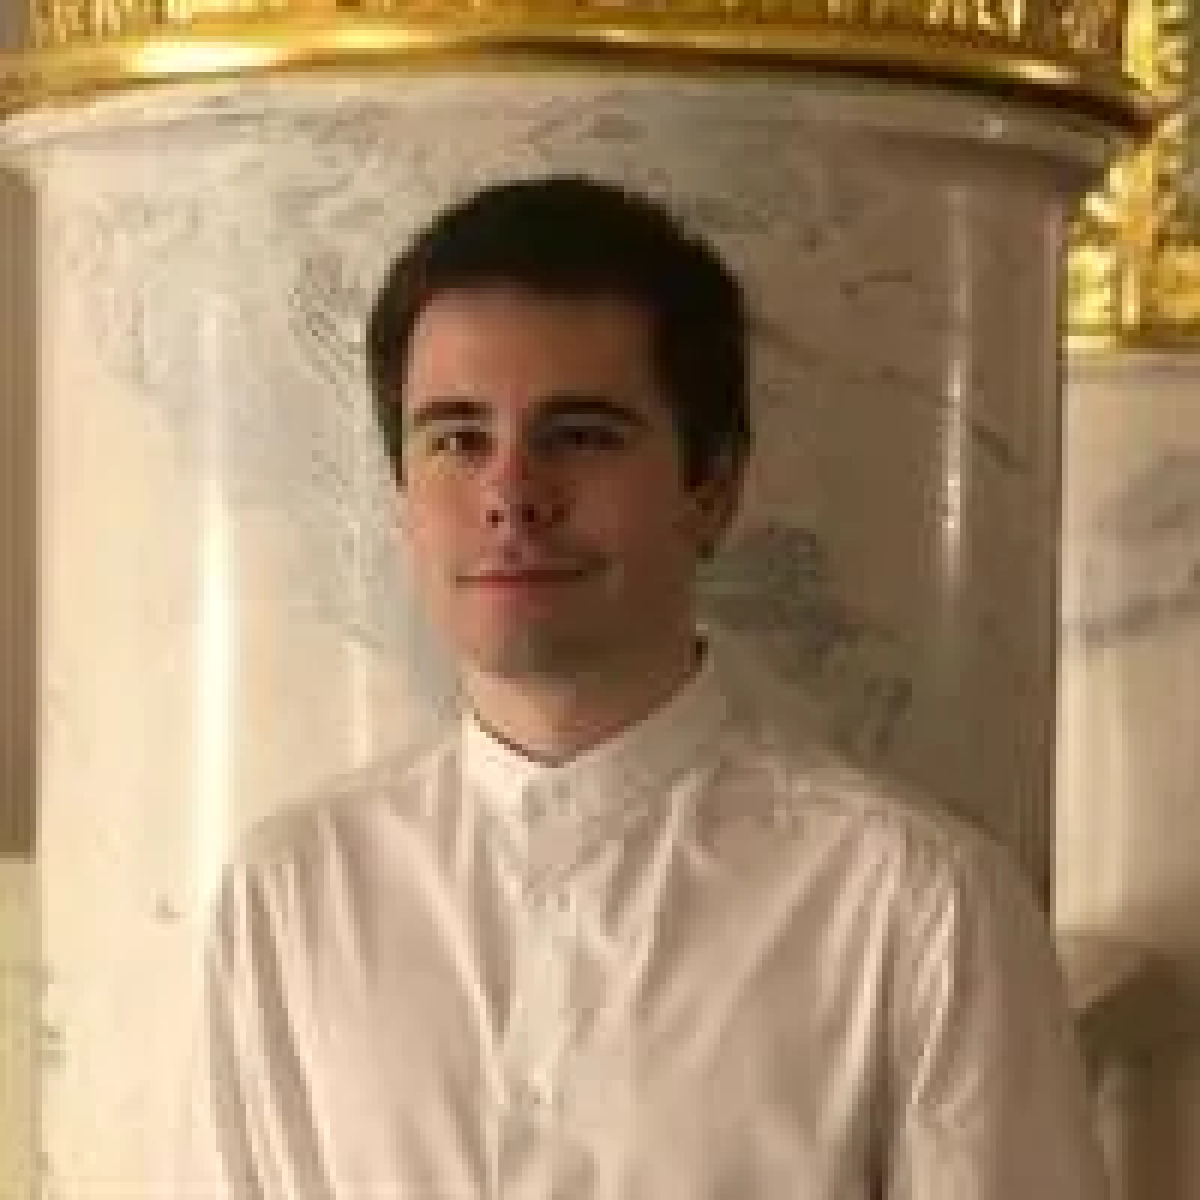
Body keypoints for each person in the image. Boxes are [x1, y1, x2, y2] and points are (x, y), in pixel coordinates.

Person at [176, 175, 1106, 1198]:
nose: (511, 496)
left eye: (580, 435)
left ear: (712, 487)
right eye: (457, 439)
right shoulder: (292, 894)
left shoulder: (913, 909)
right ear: (402, 493)